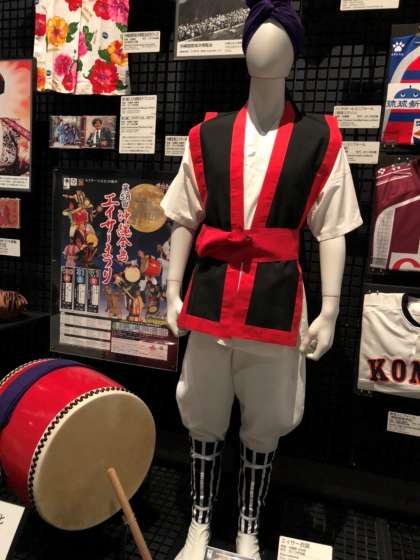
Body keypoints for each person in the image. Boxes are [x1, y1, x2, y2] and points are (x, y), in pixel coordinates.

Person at [161, 2, 363, 559]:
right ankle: (199, 525)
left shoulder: (319, 139)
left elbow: (331, 229)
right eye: (258, 37)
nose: (265, 48)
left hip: (276, 303)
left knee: (265, 424)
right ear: (244, 48)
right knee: (203, 416)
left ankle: (248, 529)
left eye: (278, 39)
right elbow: (183, 217)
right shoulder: (207, 135)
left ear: (295, 55)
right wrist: (171, 290)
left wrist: (330, 310)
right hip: (211, 297)